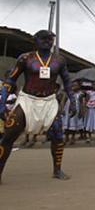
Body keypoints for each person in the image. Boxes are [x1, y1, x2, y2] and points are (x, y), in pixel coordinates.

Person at [0, 30, 76, 182]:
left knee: (58, 137)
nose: (47, 41)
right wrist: (2, 104)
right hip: (27, 100)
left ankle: (57, 170)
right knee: (8, 136)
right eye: (43, 38)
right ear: (35, 40)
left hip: (49, 101)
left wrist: (72, 100)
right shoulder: (26, 58)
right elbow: (11, 80)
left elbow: (67, 81)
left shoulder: (59, 60)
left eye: (50, 39)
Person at [63, 80, 86, 145]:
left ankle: (72, 138)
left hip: (76, 110)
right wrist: (62, 109)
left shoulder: (80, 94)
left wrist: (82, 111)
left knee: (73, 125)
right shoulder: (68, 92)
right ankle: (66, 137)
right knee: (66, 125)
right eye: (72, 85)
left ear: (79, 86)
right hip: (67, 110)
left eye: (75, 85)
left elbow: (81, 103)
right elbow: (63, 101)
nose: (73, 86)